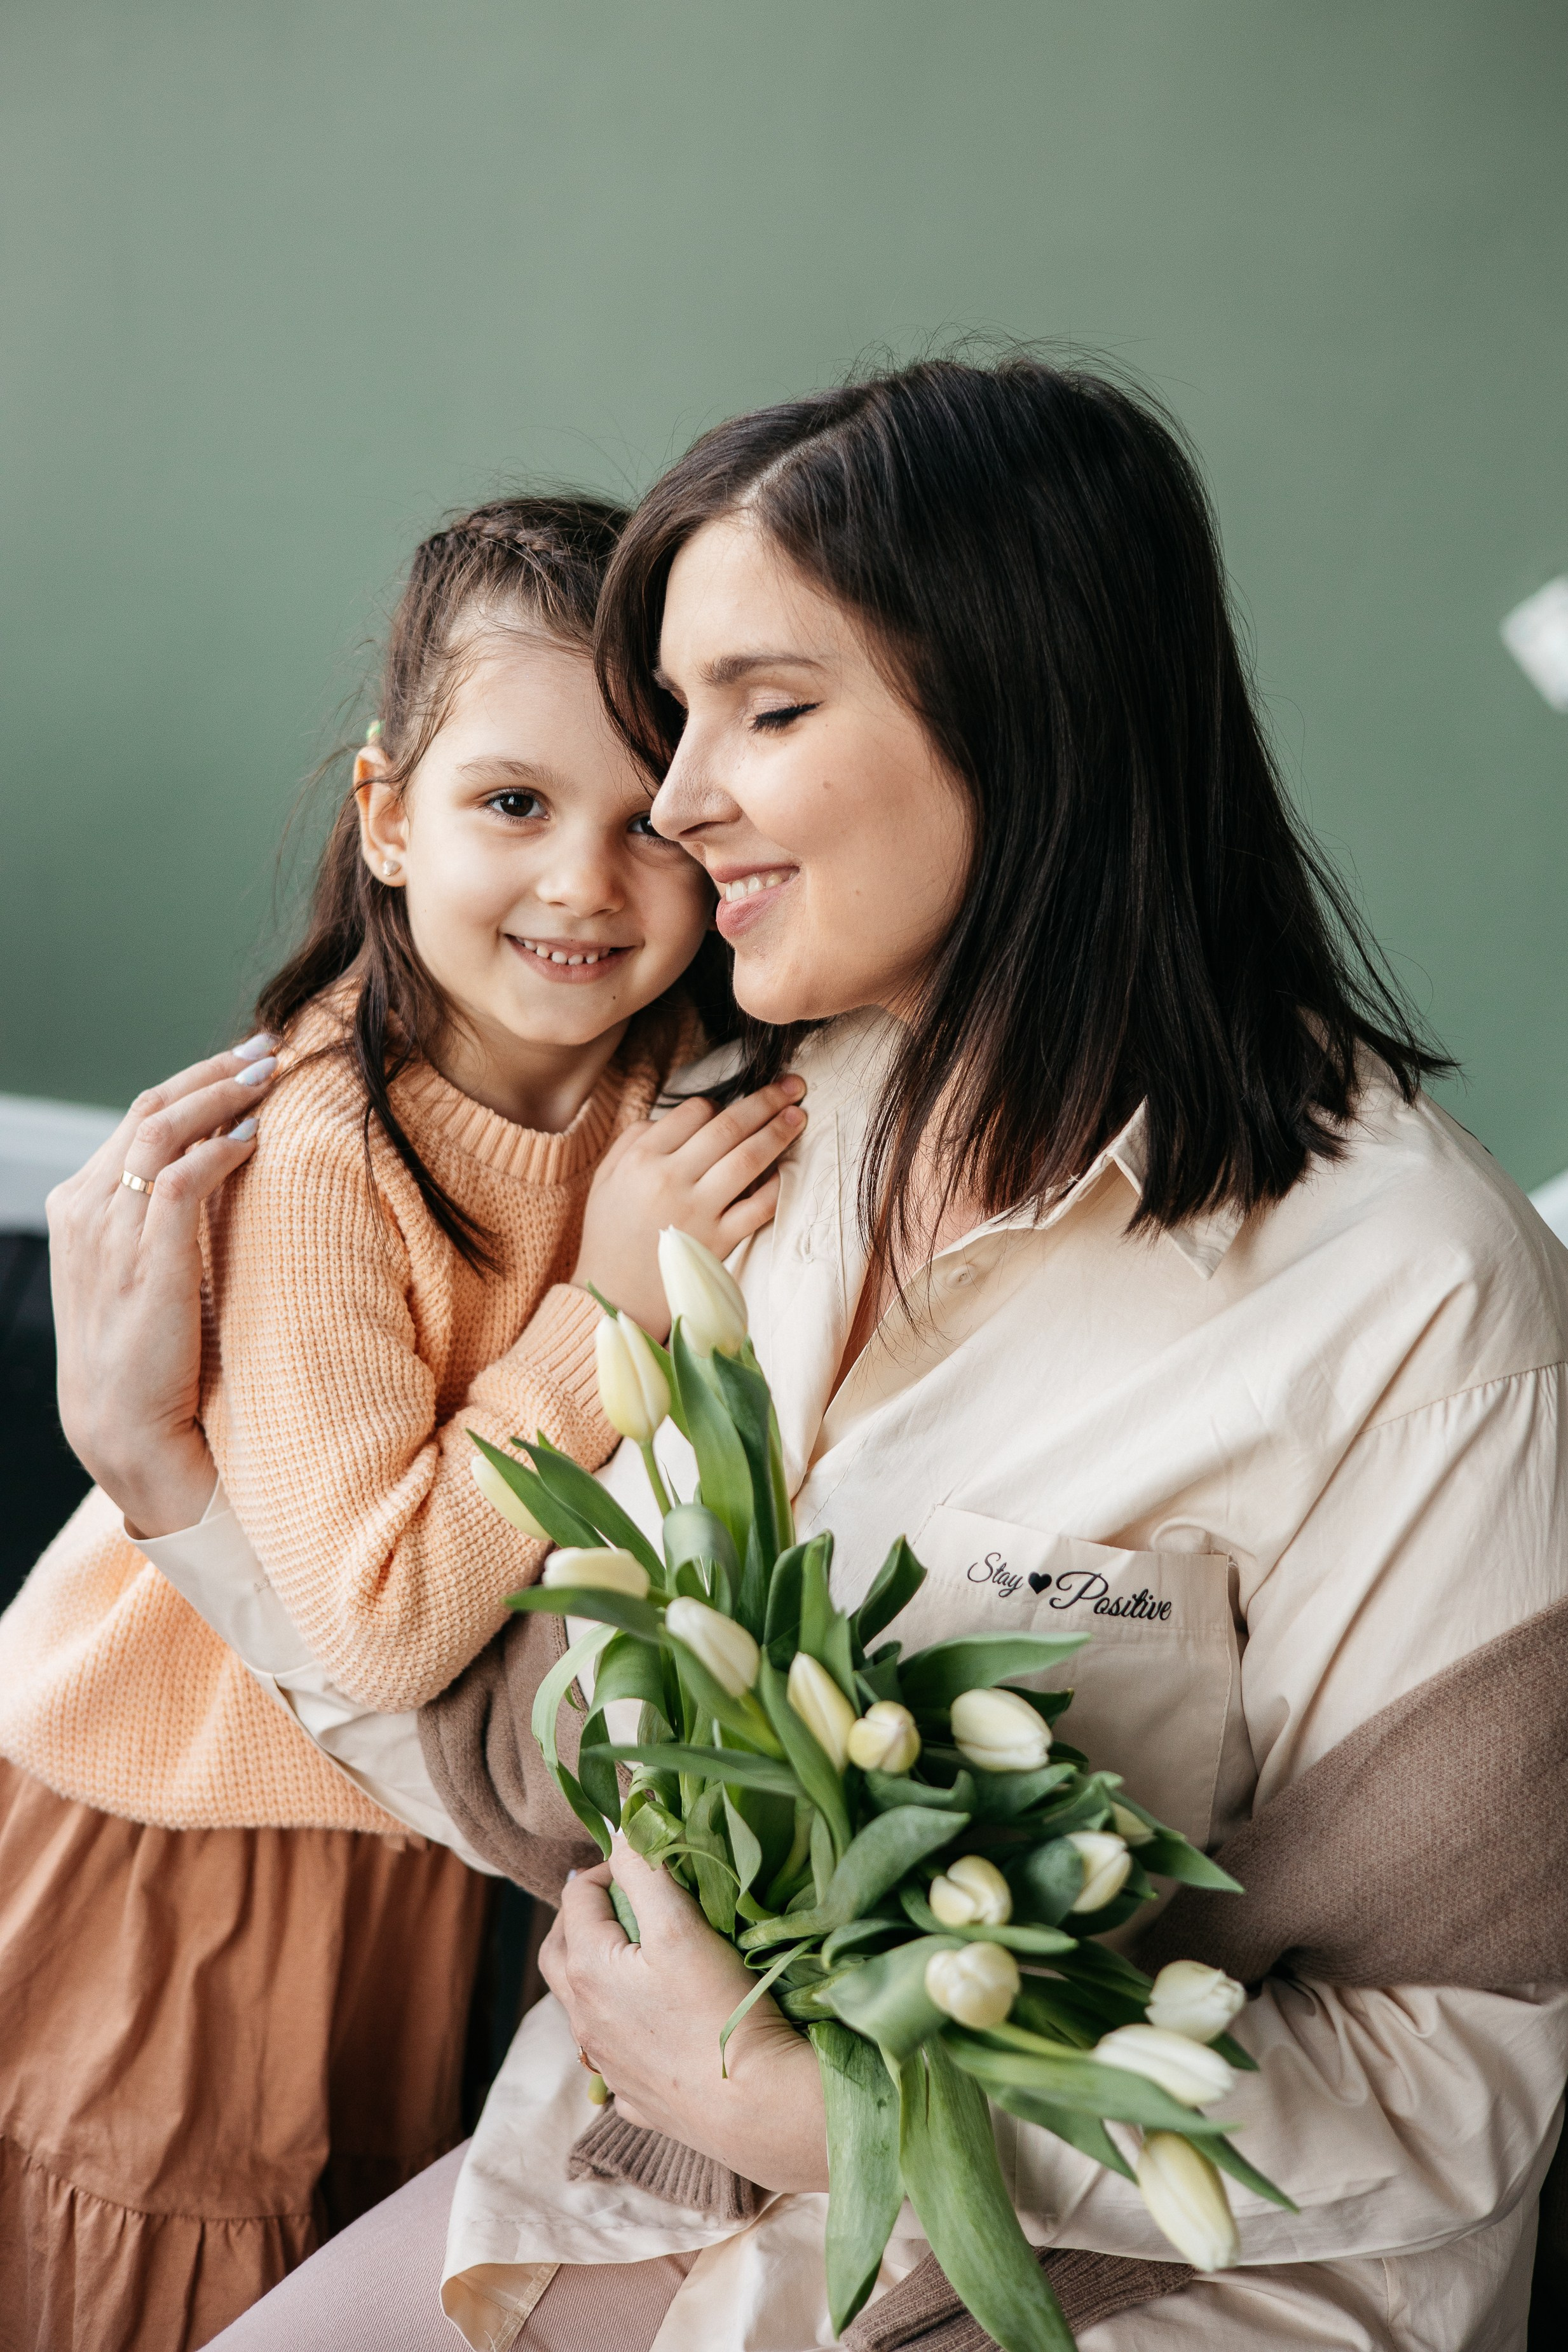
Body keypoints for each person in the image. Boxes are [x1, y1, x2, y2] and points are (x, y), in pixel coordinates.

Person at [52, 358, 1568, 2352]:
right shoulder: (738, 1142)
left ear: (1031, 717)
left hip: (1138, 2283)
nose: (673, 805)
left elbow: (1460, 2061)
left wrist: (849, 2108)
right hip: (636, 2177)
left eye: (761, 711)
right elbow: (541, 1750)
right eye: (678, 715)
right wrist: (159, 1470)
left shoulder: (1421, 1307)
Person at [0, 495, 806, 2351]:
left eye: (641, 822)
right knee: (178, 2264)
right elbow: (378, 1614)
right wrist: (605, 1307)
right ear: (388, 816)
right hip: (184, 1842)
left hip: (397, 1831)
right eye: (511, 804)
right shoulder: (328, 1151)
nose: (584, 886)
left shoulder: (663, 1096)